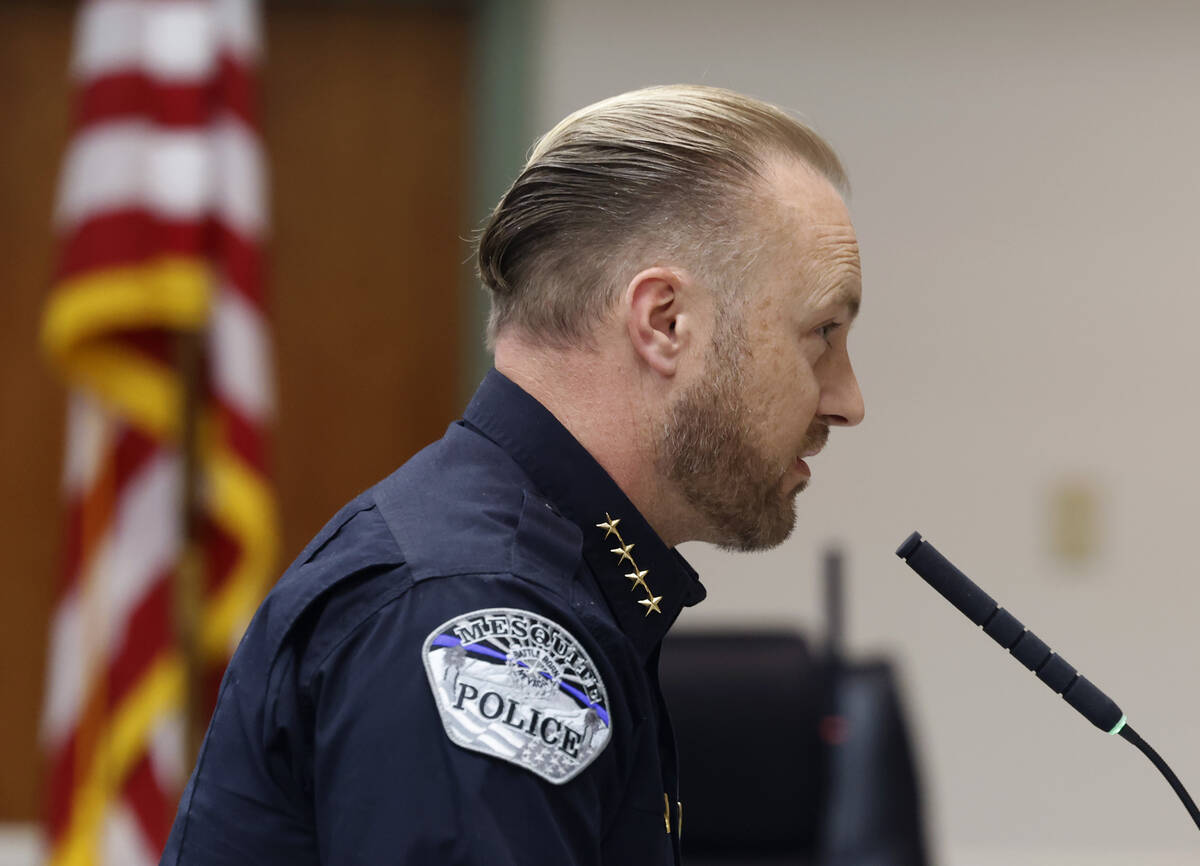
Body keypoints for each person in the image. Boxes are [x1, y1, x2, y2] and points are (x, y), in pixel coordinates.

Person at [160, 83, 864, 865]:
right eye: (822, 333)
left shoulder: (537, 579)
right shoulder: (480, 613)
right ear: (665, 322)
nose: (847, 400)